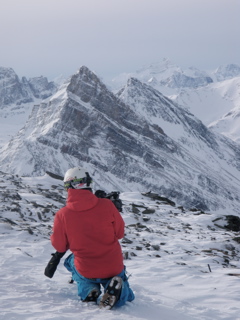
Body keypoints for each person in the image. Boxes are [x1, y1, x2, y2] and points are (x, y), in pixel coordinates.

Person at [50, 167, 135, 309]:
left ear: (69, 186)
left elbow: (60, 246)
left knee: (70, 262)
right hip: (113, 265)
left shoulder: (62, 215)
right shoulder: (107, 205)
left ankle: (89, 290)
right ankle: (117, 291)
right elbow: (119, 234)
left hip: (86, 268)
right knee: (127, 293)